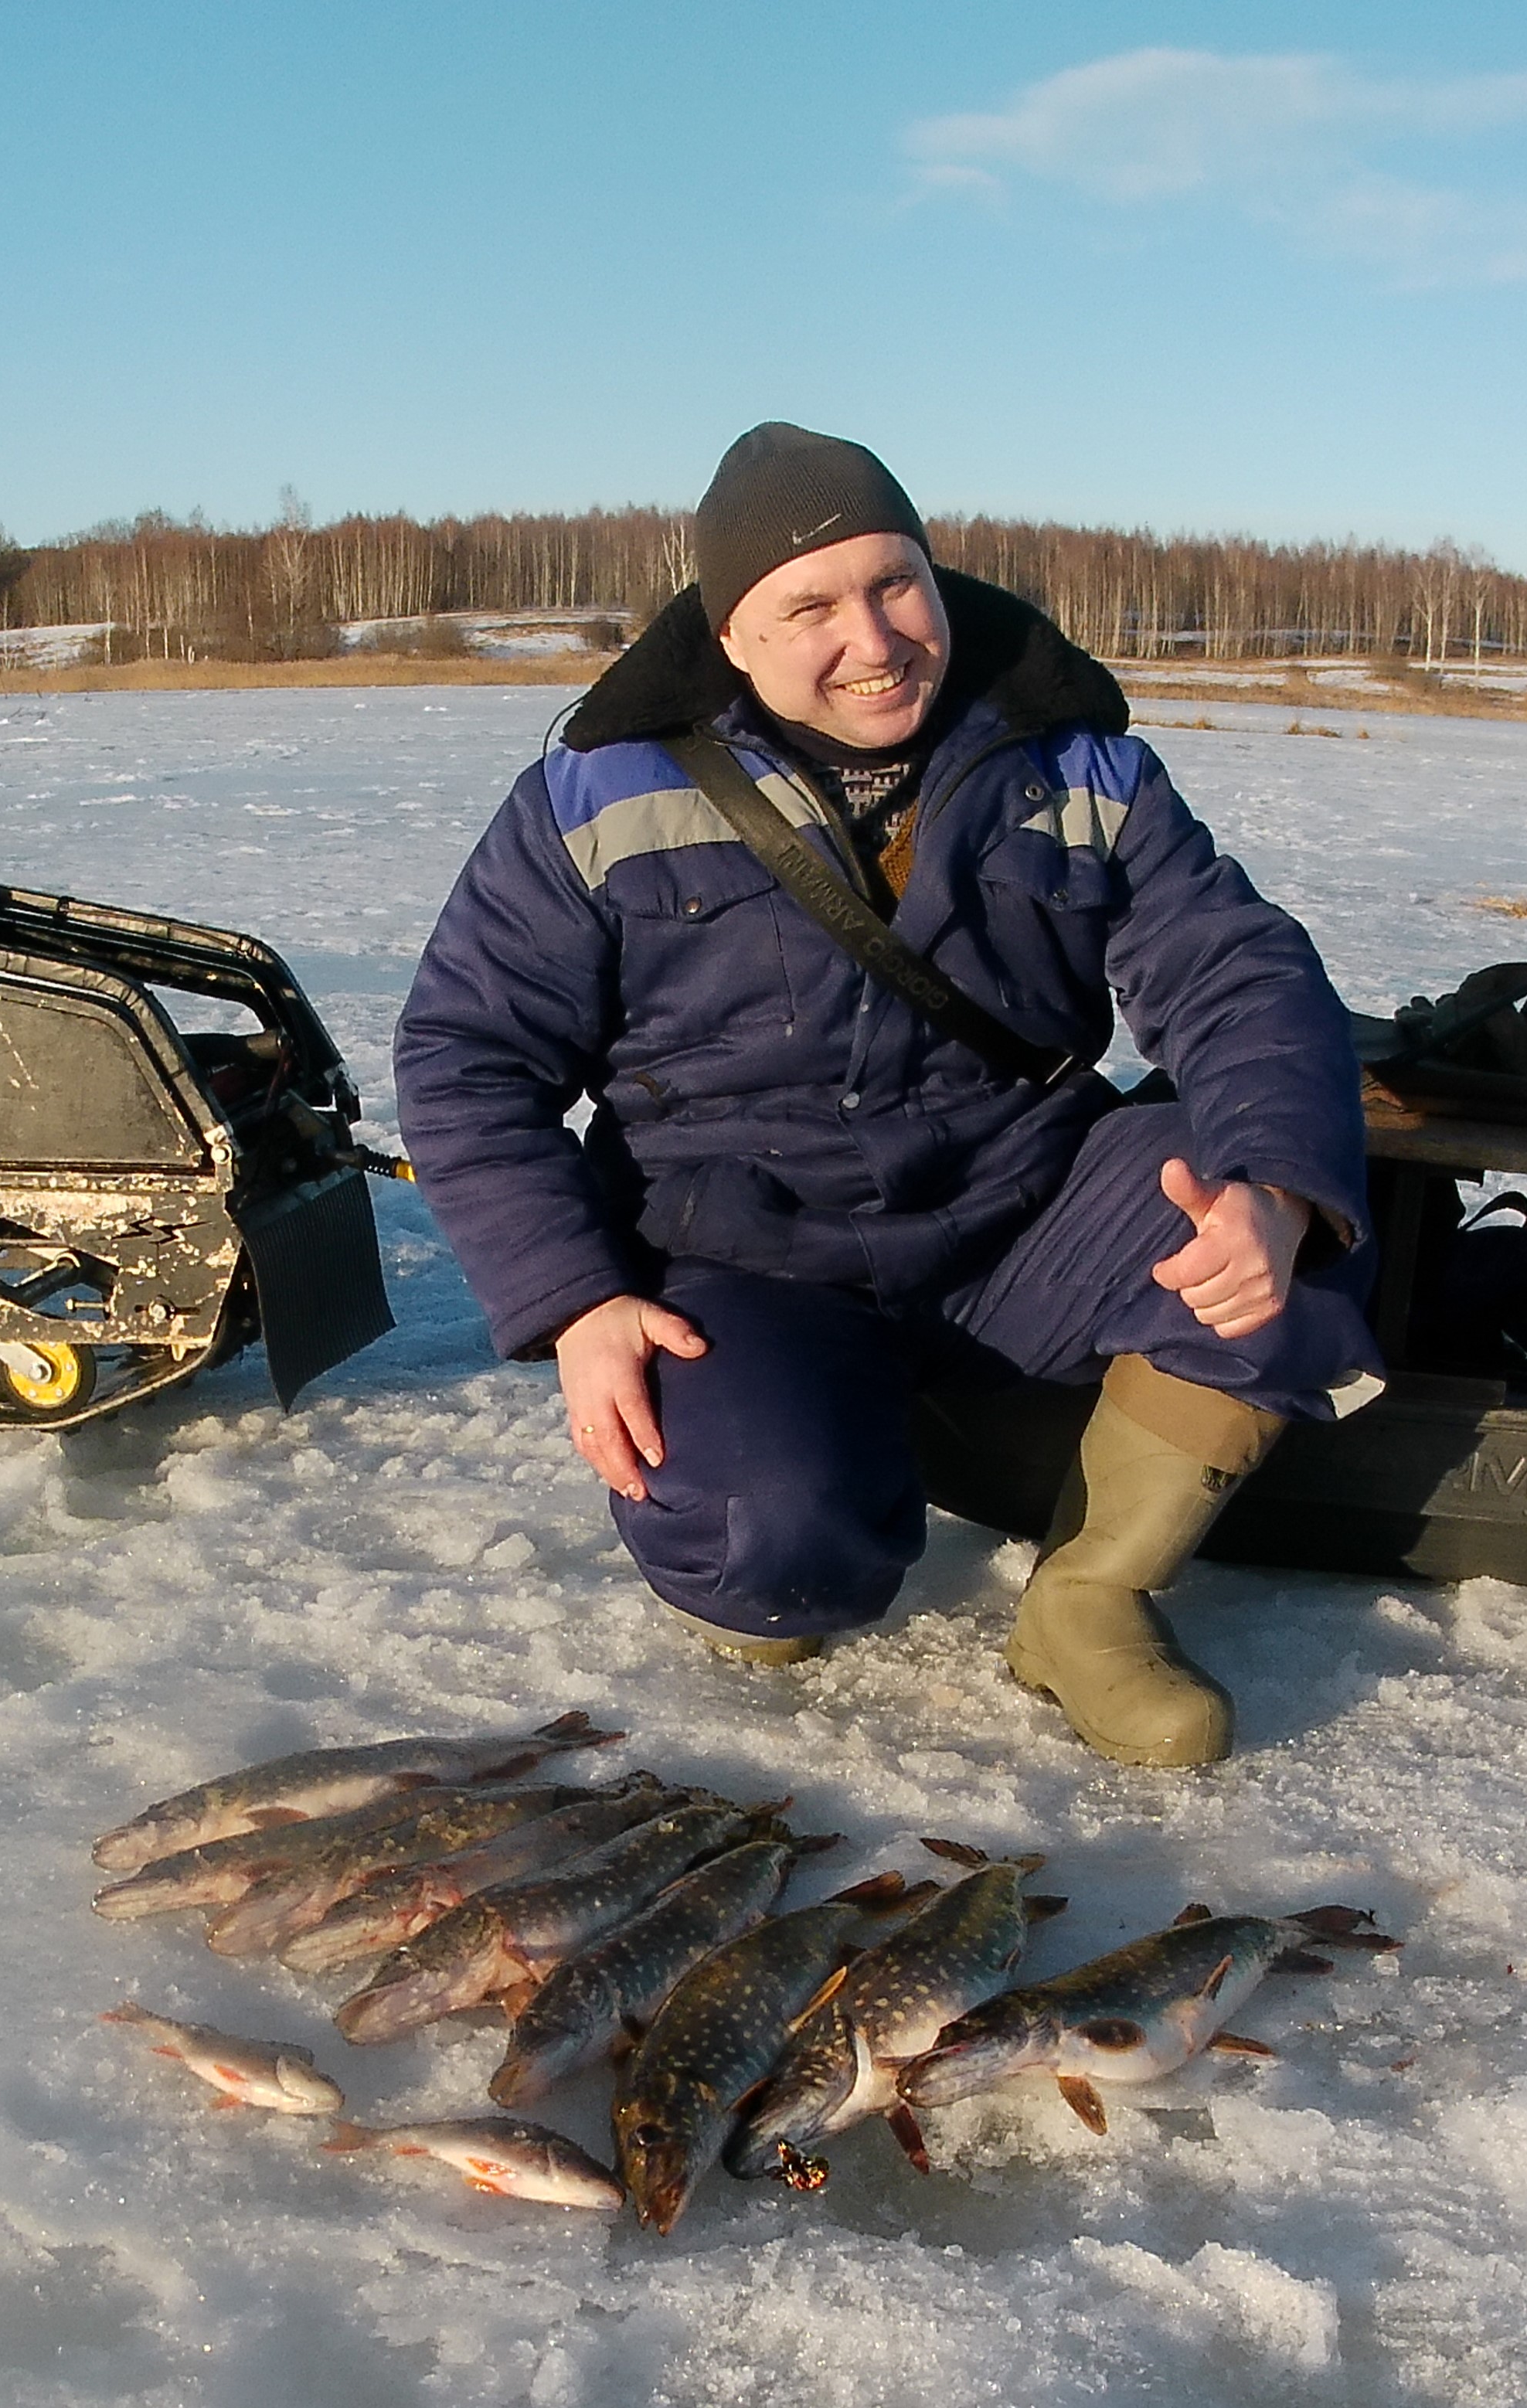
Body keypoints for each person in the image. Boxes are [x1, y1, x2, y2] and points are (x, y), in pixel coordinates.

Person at [395, 423, 1382, 1768]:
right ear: (729, 633)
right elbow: (467, 1057)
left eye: (894, 582)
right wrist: (573, 1299)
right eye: (808, 606)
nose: (872, 637)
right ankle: (802, 1467)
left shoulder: (1076, 764)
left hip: (1019, 1215)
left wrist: (1273, 1188)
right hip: (743, 1249)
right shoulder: (596, 794)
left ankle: (1090, 1598)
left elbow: (1235, 974)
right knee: (782, 1571)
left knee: (1277, 1245)